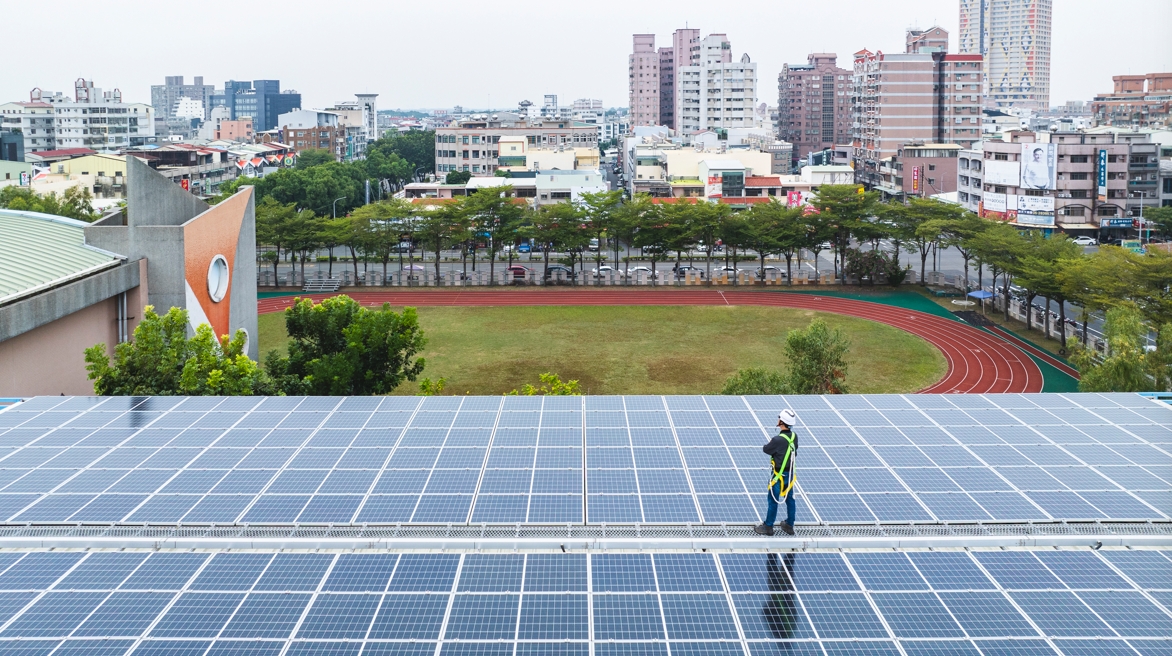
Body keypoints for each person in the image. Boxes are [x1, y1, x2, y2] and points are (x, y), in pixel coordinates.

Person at [755, 409, 798, 536]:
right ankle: (789, 525)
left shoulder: (777, 440)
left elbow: (766, 449)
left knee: (773, 501)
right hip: (790, 476)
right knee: (790, 499)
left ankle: (768, 527)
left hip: (778, 476)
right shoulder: (794, 437)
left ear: (782, 422)